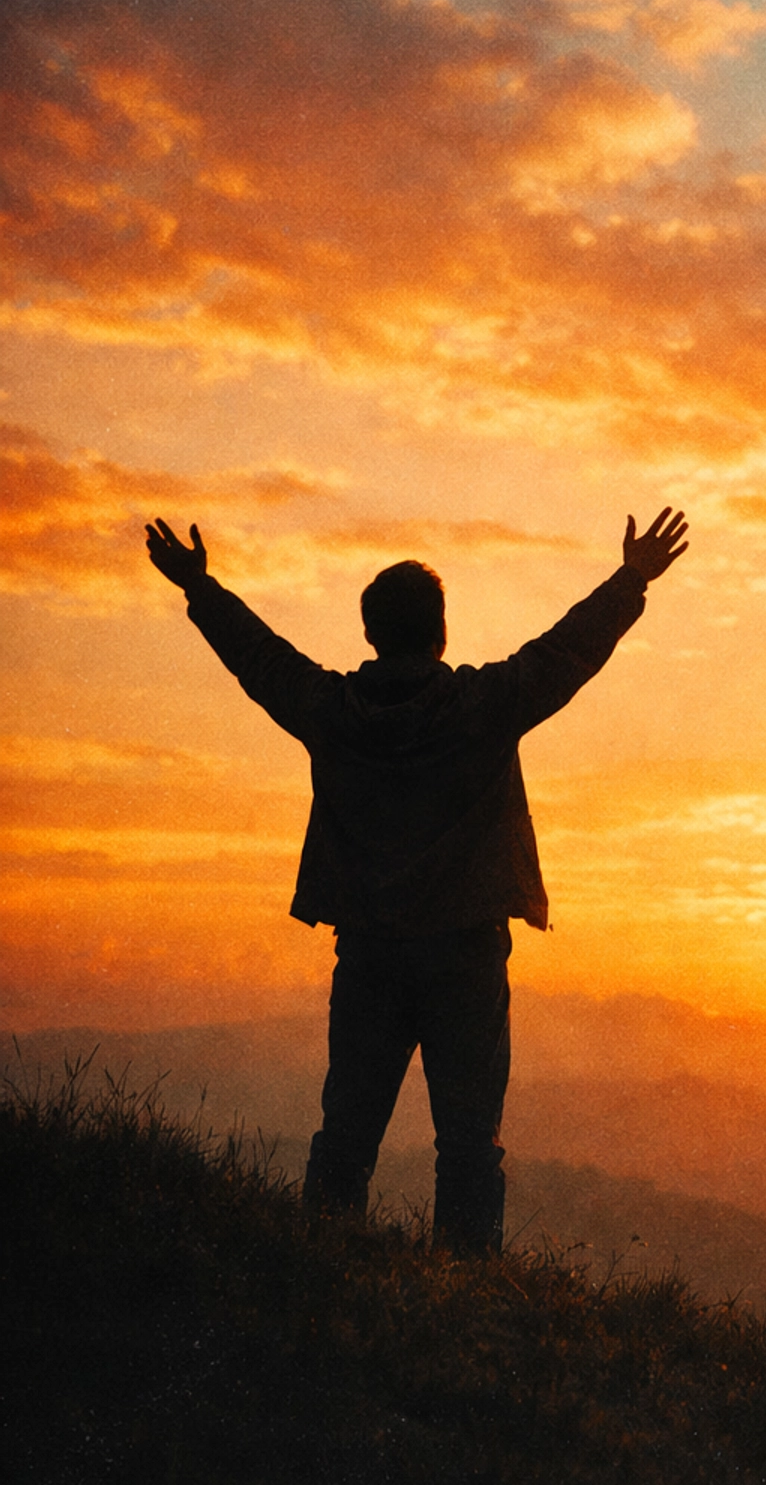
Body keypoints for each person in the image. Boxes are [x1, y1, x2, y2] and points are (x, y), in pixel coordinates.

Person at [145, 507, 688, 1256]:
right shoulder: (482, 709)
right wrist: (632, 579)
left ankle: (319, 1273)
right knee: (468, 1148)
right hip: (465, 957)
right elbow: (567, 652)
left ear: (371, 634)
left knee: (346, 1139)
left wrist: (200, 590)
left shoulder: (331, 712)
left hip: (368, 955)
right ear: (440, 634)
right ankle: (464, 1296)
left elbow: (260, 658)